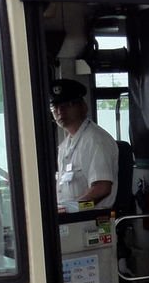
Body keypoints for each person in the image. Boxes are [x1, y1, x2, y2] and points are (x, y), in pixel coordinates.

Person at [49, 78, 117, 210]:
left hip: (91, 217)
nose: (60, 111)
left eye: (67, 104)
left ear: (83, 106)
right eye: (55, 107)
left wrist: (72, 209)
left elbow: (102, 188)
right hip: (70, 216)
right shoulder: (64, 146)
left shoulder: (96, 140)